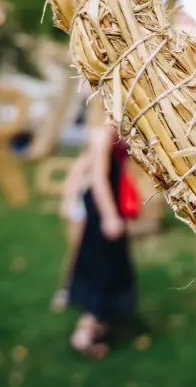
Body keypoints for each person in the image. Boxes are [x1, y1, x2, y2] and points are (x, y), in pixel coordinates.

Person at [67, 107, 137, 358]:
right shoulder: (101, 136)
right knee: (102, 269)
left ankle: (98, 324)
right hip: (101, 211)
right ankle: (83, 334)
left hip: (110, 207)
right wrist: (109, 216)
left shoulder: (116, 134)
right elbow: (97, 180)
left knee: (111, 265)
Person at [51, 151, 90, 311]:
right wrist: (68, 203)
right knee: (76, 252)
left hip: (94, 212)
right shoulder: (85, 160)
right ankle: (66, 289)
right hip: (82, 213)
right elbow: (72, 183)